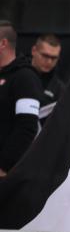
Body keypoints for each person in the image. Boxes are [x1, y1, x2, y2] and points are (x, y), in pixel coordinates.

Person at [0, 20, 42, 177]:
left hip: (7, 175)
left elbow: (27, 126)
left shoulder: (25, 77)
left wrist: (4, 166)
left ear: (3, 43)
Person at [29, 33, 64, 124]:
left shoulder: (59, 88)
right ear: (34, 51)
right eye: (45, 56)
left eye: (54, 58)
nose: (49, 62)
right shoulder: (17, 75)